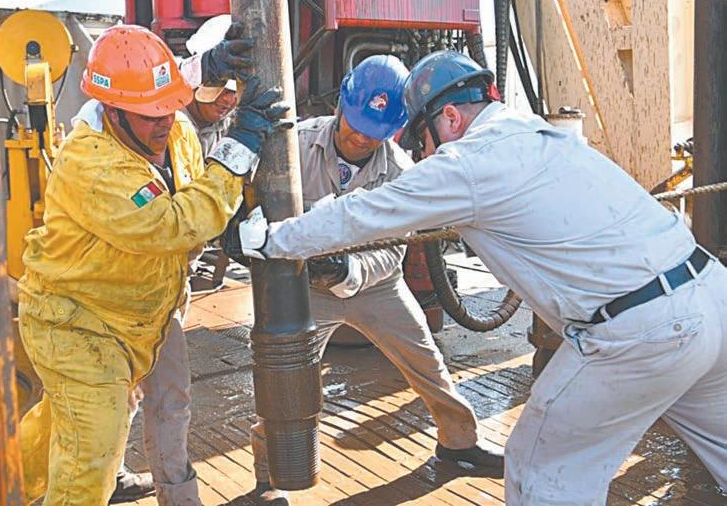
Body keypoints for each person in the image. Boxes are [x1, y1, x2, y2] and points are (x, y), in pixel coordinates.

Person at [228, 50, 727, 506]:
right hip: (709, 296)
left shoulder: (468, 163)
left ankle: (460, 441)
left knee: (537, 470)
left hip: (641, 332)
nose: (425, 154)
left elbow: (366, 214)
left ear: (449, 118)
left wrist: (272, 241)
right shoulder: (533, 132)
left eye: (423, 140)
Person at [17, 23, 288, 506]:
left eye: (169, 106)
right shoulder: (91, 164)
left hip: (143, 316)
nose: (164, 122)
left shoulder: (171, 127)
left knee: (67, 419)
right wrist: (238, 151)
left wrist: (203, 72)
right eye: (149, 115)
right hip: (78, 324)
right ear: (113, 113)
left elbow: (190, 174)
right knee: (91, 456)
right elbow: (173, 224)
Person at [249, 54, 503, 506]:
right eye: (356, 123)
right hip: (306, 288)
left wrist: (347, 271)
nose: (362, 136)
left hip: (376, 284)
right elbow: (260, 206)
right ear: (340, 105)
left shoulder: (401, 171)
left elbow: (393, 250)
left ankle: (459, 442)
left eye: (375, 131)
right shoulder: (294, 147)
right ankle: (270, 477)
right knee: (286, 378)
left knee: (426, 362)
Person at [181, 15, 239, 155]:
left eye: (235, 91)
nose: (229, 100)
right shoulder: (166, 122)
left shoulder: (230, 124)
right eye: (220, 85)